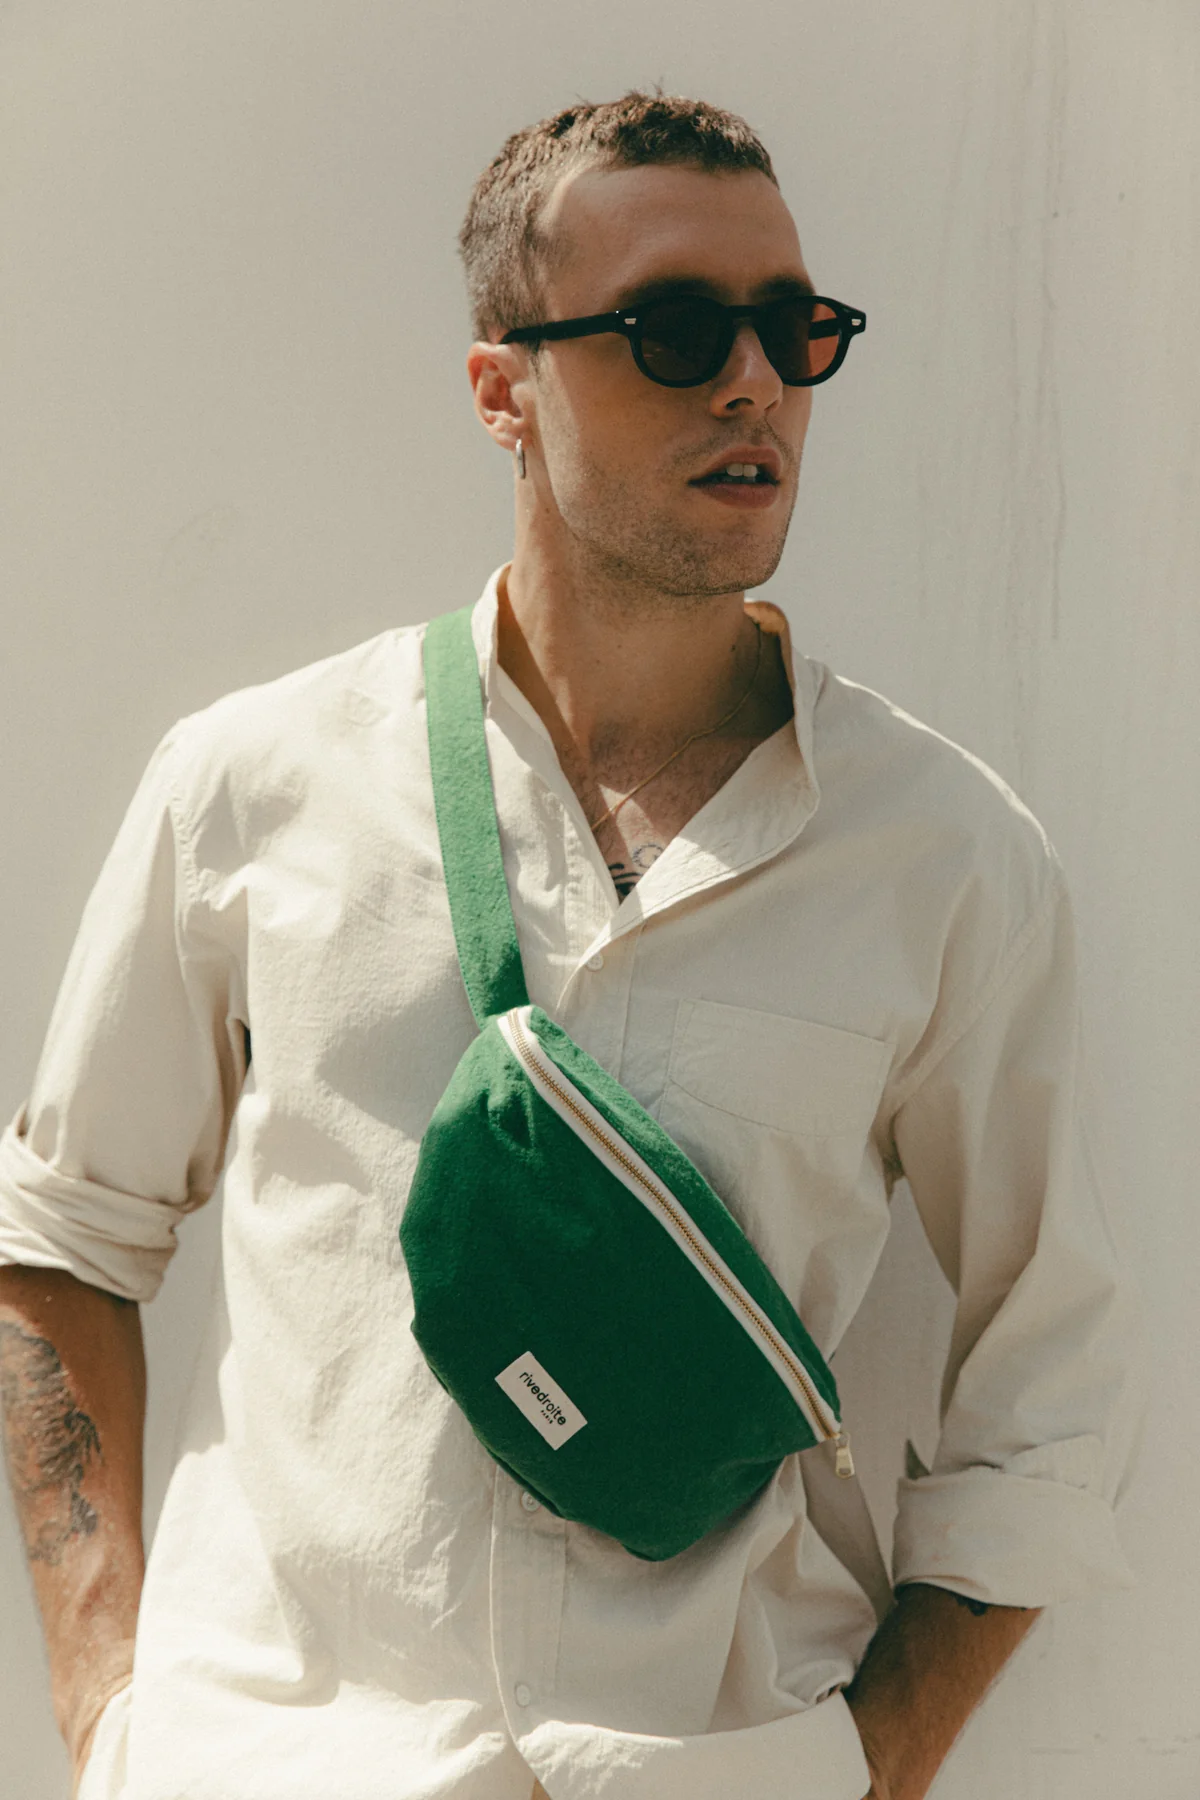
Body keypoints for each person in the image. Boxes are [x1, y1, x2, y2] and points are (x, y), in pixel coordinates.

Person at [0, 90, 1137, 1800]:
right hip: (279, 1762)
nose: (752, 384)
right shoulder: (255, 785)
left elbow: (1052, 1378)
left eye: (793, 330)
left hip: (714, 1765)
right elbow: (63, 1236)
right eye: (675, 330)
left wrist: (864, 1767)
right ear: (502, 392)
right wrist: (107, 1710)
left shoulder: (944, 856)